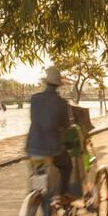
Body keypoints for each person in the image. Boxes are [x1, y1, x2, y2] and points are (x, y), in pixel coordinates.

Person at [26, 66, 73, 203]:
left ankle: (37, 197)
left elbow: (34, 119)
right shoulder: (62, 103)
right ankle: (63, 194)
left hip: (32, 147)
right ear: (58, 85)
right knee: (67, 166)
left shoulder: (34, 99)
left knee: (37, 176)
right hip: (52, 149)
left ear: (46, 82)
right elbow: (66, 127)